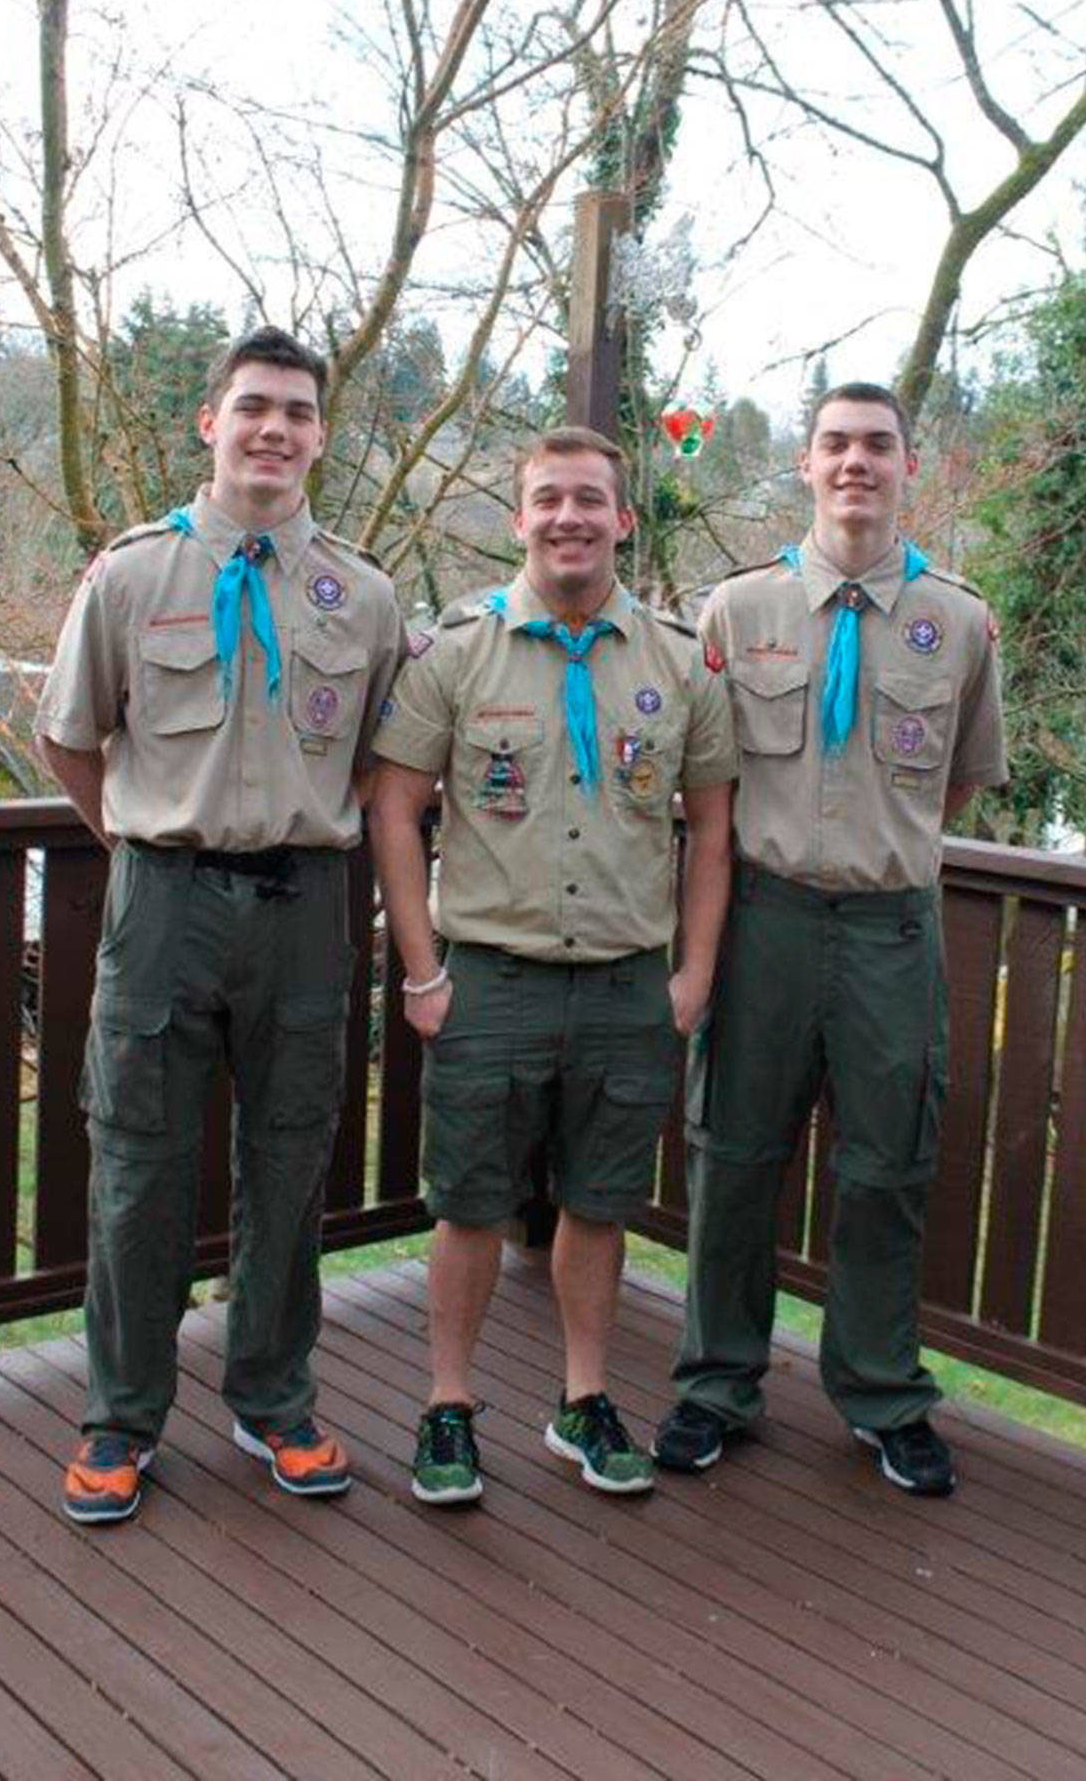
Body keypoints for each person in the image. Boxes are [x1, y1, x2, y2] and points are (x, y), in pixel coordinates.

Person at [35, 326, 406, 1524]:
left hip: (304, 909)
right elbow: (68, 736)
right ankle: (120, 1417)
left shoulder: (364, 595)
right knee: (136, 1165)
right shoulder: (132, 576)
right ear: (212, 422)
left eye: (296, 412)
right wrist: (142, 843)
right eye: (253, 407)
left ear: (320, 436)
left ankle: (273, 1400)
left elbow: (386, 759)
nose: (273, 430)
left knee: (292, 1160)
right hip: (163, 904)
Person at [370, 424, 736, 1506]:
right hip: (492, 977)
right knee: (469, 1204)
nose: (568, 518)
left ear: (623, 519)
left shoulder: (679, 660)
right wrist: (423, 969)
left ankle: (583, 1400)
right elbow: (394, 807)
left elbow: (712, 829)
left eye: (588, 499)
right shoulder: (455, 650)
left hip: (626, 982)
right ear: (519, 518)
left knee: (600, 1202)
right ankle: (448, 1404)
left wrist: (692, 977)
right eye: (548, 500)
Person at [652, 382, 1007, 1496]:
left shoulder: (957, 621)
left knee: (887, 1165)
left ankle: (881, 1394)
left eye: (877, 445)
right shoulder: (735, 611)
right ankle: (717, 1385)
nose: (856, 462)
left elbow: (955, 782)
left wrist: (876, 850)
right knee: (732, 1158)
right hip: (763, 921)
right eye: (835, 444)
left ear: (909, 466)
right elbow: (701, 786)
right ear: (805, 464)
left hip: (890, 931)